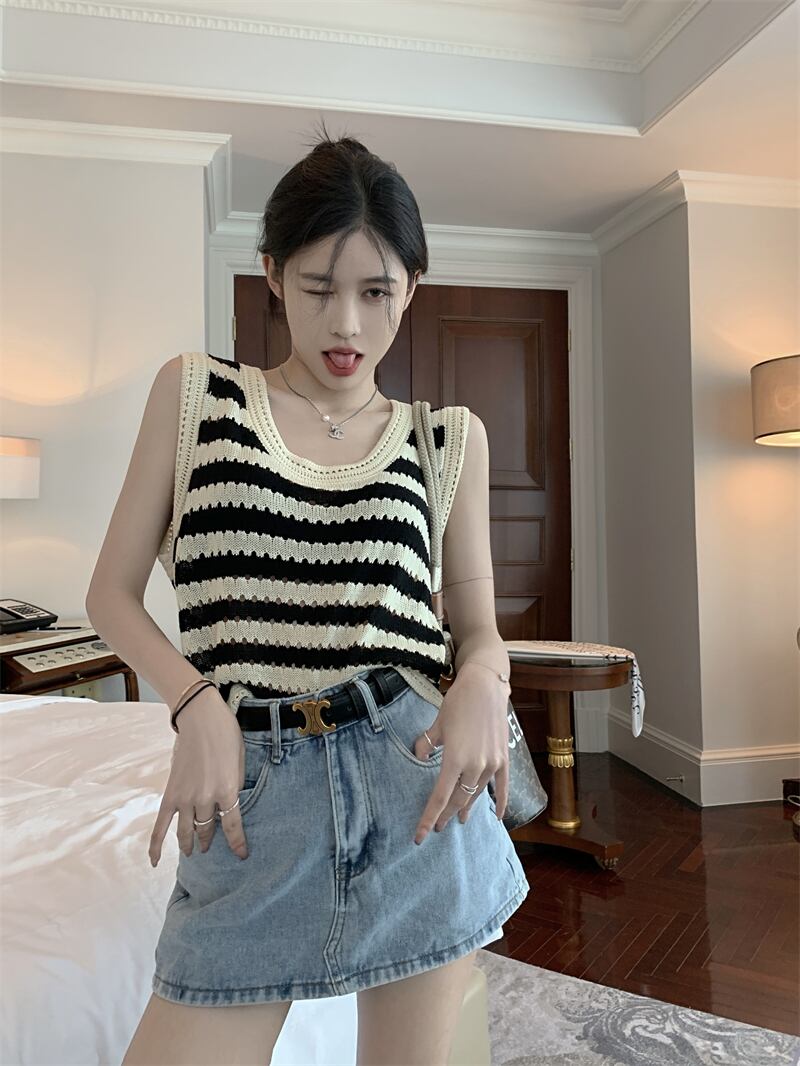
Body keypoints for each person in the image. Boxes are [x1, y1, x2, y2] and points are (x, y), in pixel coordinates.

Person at [86, 121, 530, 1066]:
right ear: (273, 274)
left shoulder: (446, 438)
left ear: (412, 287)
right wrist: (194, 701)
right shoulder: (198, 398)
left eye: (377, 292)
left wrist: (485, 684)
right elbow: (111, 594)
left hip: (415, 792)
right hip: (253, 802)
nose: (348, 326)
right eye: (321, 289)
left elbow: (477, 630)